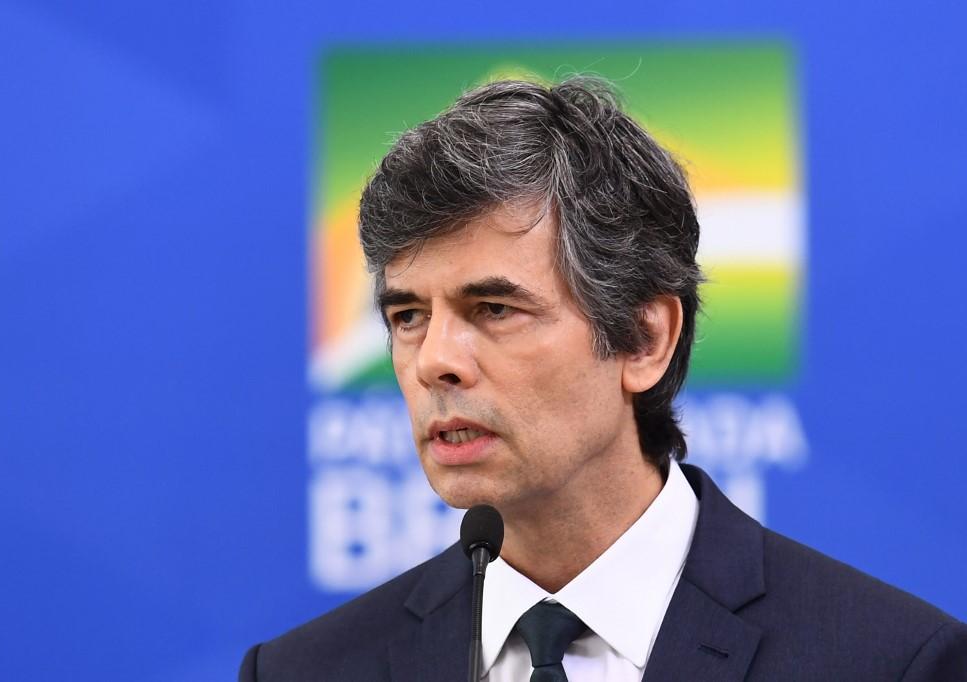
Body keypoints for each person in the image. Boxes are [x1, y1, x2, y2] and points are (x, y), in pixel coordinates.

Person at [240, 77, 967, 681]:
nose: (434, 360)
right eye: (407, 316)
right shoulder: (302, 671)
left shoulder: (889, 661)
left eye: (494, 309)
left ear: (644, 339)